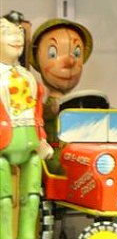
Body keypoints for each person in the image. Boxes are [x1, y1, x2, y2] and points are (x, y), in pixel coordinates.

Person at [0, 12, 53, 239]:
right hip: (3, 147)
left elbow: (36, 113)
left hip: (30, 144)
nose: (16, 38)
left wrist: (41, 139)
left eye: (19, 33)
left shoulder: (28, 78)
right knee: (3, 201)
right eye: (8, 33)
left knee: (32, 198)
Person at [30, 19, 93, 174]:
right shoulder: (38, 104)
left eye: (77, 53)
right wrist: (48, 111)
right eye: (53, 53)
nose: (70, 61)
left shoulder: (80, 106)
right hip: (49, 158)